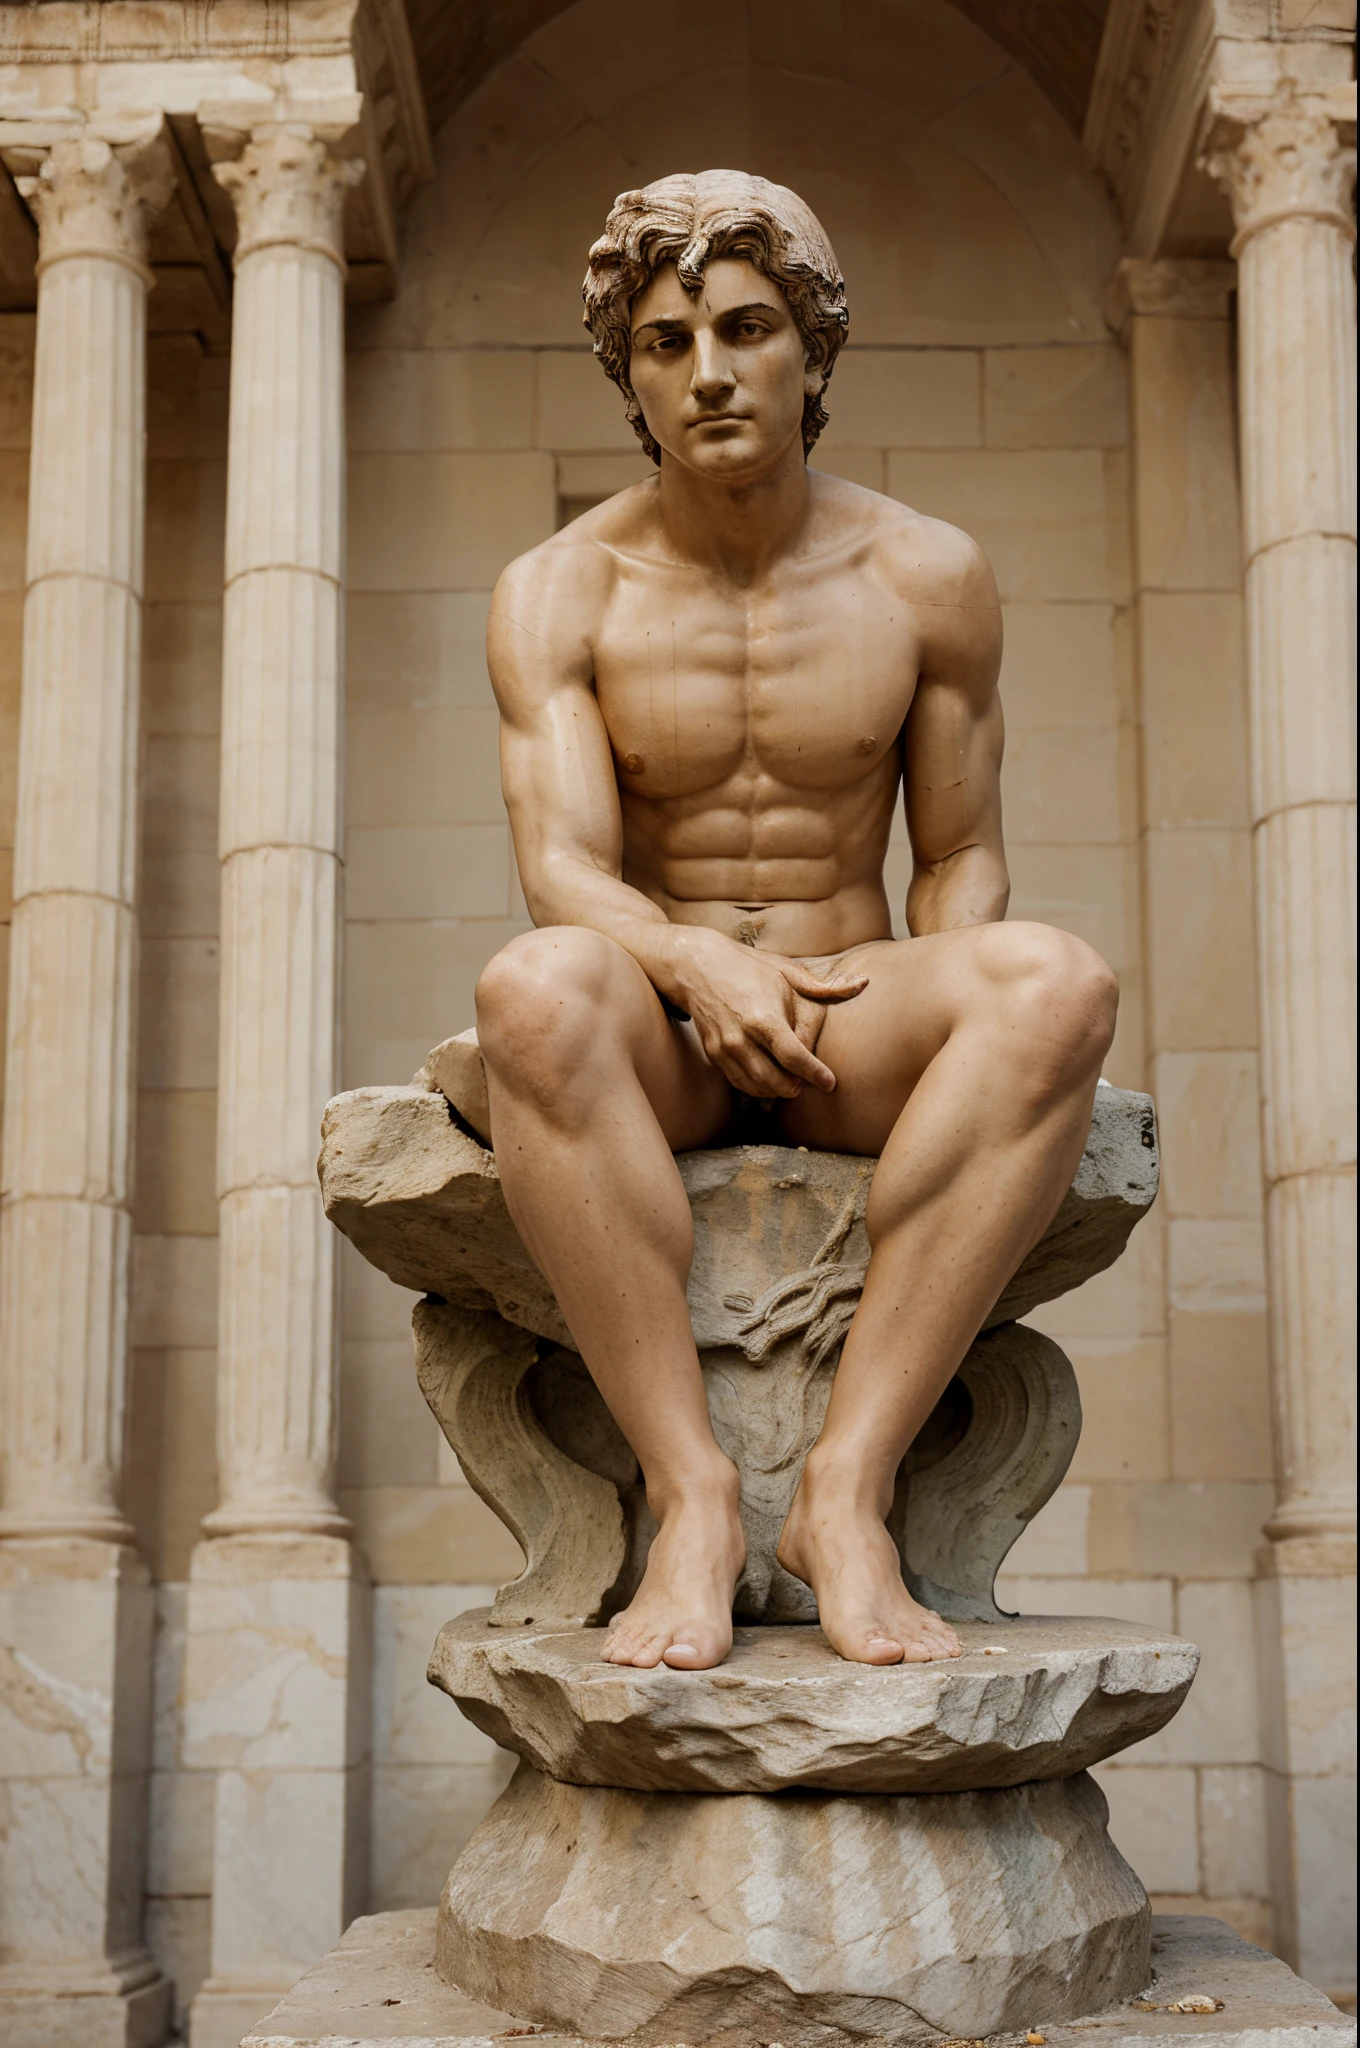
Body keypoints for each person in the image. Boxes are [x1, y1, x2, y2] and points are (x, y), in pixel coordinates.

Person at [474, 170, 1117, 1673]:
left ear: (812, 351)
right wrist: (694, 957)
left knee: (1054, 985)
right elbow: (565, 869)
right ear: (629, 373)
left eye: (746, 327)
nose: (706, 372)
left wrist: (931, 999)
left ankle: (847, 1488)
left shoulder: (925, 573)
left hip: (844, 1006)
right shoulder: (560, 589)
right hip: (667, 1014)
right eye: (663, 341)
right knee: (534, 987)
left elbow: (960, 858)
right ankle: (688, 1494)